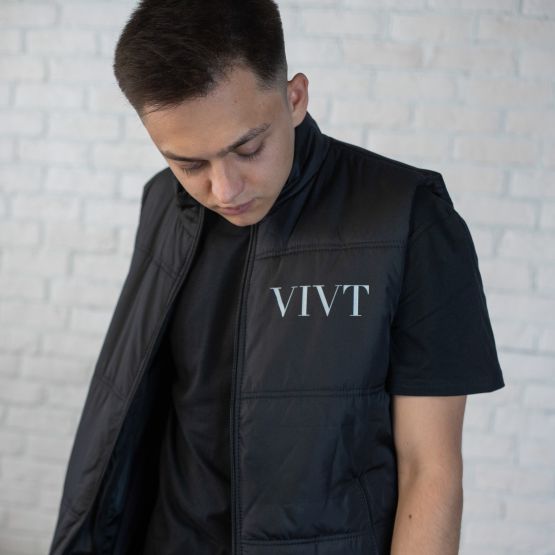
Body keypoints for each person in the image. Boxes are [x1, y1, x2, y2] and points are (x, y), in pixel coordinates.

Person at [48, 1, 505, 554]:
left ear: (295, 98)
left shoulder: (409, 218)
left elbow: (429, 470)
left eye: (248, 149)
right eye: (189, 164)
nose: (225, 190)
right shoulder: (163, 204)